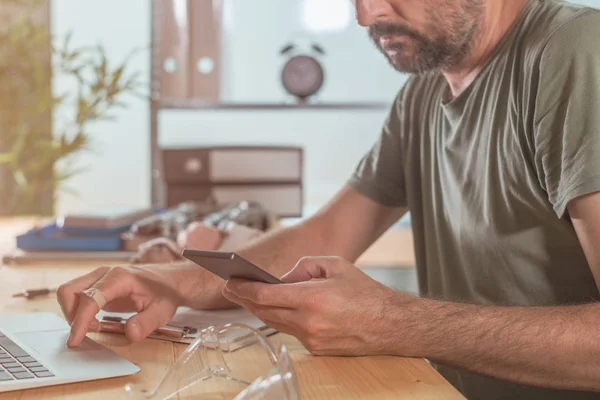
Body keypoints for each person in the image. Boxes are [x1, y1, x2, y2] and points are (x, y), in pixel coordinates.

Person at [57, 0, 600, 398]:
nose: (366, 17)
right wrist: (167, 280)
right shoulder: (424, 95)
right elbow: (322, 235)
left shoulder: (573, 52)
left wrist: (394, 320)